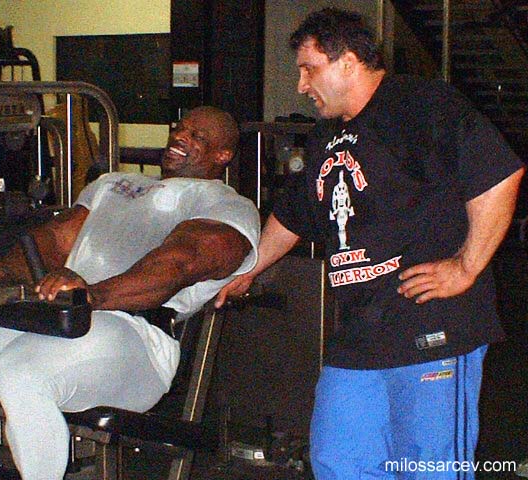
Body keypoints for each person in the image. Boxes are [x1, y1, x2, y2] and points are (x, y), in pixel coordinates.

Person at [216, 8, 524, 480]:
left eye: (309, 69)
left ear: (348, 62)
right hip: (360, 333)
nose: (301, 85)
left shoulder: (420, 104)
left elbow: (500, 172)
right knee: (338, 461)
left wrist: (467, 265)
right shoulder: (326, 136)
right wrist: (249, 270)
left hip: (431, 326)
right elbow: (294, 214)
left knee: (428, 468)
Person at [0, 106, 260, 480]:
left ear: (223, 155)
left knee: (24, 372)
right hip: (57, 317)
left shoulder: (228, 206)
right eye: (180, 128)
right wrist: (1, 269)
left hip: (136, 336)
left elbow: (180, 263)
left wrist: (93, 294)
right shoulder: (112, 184)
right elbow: (54, 240)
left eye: (197, 136)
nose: (180, 137)